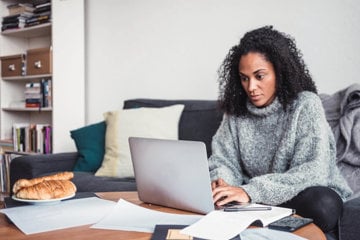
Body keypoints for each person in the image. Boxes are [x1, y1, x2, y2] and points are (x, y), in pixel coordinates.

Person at [209, 26, 353, 233]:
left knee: (324, 204)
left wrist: (249, 192)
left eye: (260, 76)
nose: (251, 87)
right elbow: (223, 160)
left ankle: (254, 216)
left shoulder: (306, 104)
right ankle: (260, 219)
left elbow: (314, 171)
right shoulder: (235, 111)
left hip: (300, 192)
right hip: (252, 198)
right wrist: (224, 187)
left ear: (280, 72)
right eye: (244, 78)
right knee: (213, 195)